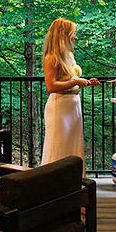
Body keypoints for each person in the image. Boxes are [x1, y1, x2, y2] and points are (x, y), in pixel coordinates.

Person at [41, 18, 99, 168]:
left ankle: (73, 181)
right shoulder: (52, 58)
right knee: (59, 146)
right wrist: (75, 82)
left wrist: (85, 82)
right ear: (63, 35)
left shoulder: (69, 56)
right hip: (59, 108)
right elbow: (51, 86)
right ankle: (54, 183)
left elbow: (71, 80)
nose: (76, 37)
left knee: (73, 146)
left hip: (73, 107)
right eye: (73, 33)